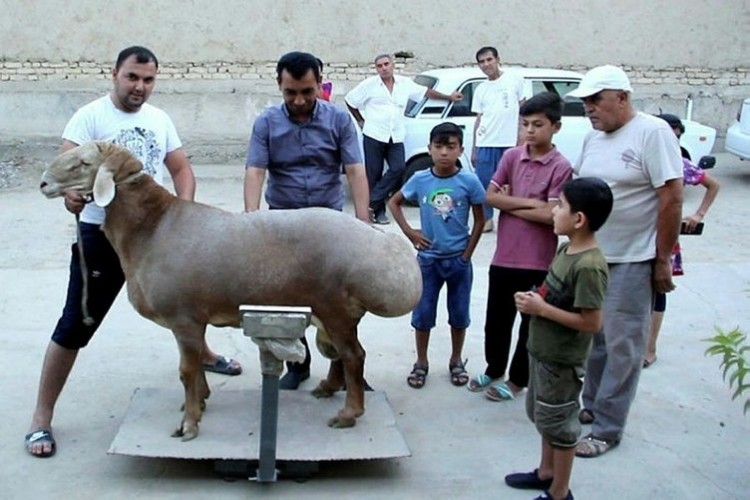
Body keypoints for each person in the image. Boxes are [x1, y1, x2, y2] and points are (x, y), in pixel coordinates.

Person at [25, 46, 242, 459]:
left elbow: (180, 168)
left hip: (160, 236)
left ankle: (206, 358)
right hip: (101, 238)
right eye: (132, 78)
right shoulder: (89, 117)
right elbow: (64, 167)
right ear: (115, 75)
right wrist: (72, 195)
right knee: (75, 323)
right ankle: (41, 417)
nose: (140, 87)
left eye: (148, 80)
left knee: (188, 303)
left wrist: (185, 213)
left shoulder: (159, 120)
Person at [566, 65, 683, 458]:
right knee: (595, 339)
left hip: (634, 257)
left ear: (623, 97)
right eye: (585, 102)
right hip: (594, 257)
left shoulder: (653, 133)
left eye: (596, 100)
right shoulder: (592, 138)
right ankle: (593, 405)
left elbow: (671, 198)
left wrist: (663, 258)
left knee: (623, 346)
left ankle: (608, 429)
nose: (589, 109)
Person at [244, 51, 370, 391]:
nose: (299, 100)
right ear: (279, 86)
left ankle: (344, 369)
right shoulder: (266, 123)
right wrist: (251, 222)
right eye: (290, 93)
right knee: (287, 298)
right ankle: (298, 367)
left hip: (329, 225)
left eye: (307, 91)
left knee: (340, 299)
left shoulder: (339, 121)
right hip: (283, 224)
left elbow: (355, 170)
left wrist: (363, 222)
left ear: (320, 84)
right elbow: (255, 171)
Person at [506, 177, 612, 500]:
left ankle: (559, 492)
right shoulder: (567, 249)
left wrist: (542, 309)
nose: (553, 211)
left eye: (560, 206)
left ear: (578, 219)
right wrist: (534, 298)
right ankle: (545, 472)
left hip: (562, 361)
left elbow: (592, 322)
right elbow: (553, 293)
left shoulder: (590, 266)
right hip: (542, 352)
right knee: (544, 416)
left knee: (561, 426)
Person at [467, 92, 573, 402]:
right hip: (504, 257)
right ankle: (494, 367)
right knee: (496, 321)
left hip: (537, 261)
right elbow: (489, 196)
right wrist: (530, 202)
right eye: (525, 123)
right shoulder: (512, 156)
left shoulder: (561, 166)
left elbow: (552, 215)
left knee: (530, 326)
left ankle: (517, 380)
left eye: (537, 124)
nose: (529, 130)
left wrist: (510, 203)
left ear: (556, 127)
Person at [388, 122, 485, 389]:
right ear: (429, 149)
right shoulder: (420, 179)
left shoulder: (469, 181)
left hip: (458, 261)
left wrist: (466, 255)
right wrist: (410, 233)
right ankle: (421, 362)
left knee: (459, 314)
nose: (444, 152)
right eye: (438, 146)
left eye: (450, 147)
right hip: (428, 261)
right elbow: (394, 202)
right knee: (422, 314)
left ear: (460, 150)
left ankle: (456, 360)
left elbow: (480, 220)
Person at [345, 54, 462, 225]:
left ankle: (372, 201)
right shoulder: (369, 85)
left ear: (392, 65)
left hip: (396, 135)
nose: (383, 68)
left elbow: (426, 92)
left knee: (398, 168)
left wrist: (448, 97)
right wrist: (361, 121)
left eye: (386, 64)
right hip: (374, 134)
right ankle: (378, 212)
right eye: (379, 66)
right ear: (376, 68)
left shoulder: (404, 84)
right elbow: (350, 101)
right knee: (374, 173)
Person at [644, 113, 720, 368]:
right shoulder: (641, 156)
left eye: (676, 138)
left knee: (658, 289)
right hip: (636, 233)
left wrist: (698, 214)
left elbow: (713, 185)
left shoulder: (679, 163)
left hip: (663, 233)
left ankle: (650, 347)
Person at [471, 46, 526, 233]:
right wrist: (474, 148)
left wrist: (522, 140)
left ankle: (515, 217)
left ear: (497, 59)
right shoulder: (481, 89)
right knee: (484, 184)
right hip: (486, 143)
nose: (486, 65)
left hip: (509, 143)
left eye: (489, 60)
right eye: (482, 62)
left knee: (513, 183)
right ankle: (486, 219)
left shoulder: (515, 80)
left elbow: (524, 112)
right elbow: (478, 119)